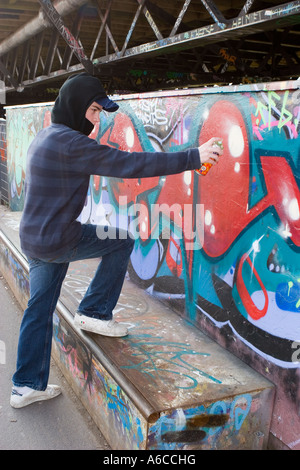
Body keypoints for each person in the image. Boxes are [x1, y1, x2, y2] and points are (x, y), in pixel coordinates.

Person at [10, 72, 222, 408]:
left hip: (34, 239)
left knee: (39, 309)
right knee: (121, 240)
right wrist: (192, 157)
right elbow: (128, 164)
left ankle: (25, 386)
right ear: (77, 106)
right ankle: (94, 311)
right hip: (56, 240)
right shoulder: (72, 143)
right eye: (94, 111)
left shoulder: (48, 136)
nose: (95, 122)